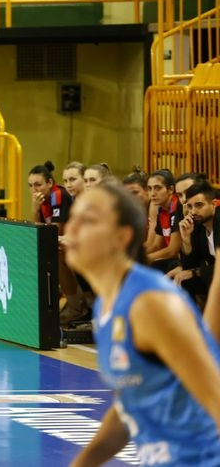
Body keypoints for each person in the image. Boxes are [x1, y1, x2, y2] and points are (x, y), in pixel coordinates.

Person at [64, 183, 220, 467]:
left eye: (87, 220)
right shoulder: (106, 305)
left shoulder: (150, 304)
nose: (71, 229)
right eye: (73, 217)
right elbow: (129, 405)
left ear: (121, 237)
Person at [29, 160, 87, 324]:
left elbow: (54, 232)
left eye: (38, 184)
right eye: (31, 185)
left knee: (56, 253)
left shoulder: (57, 195)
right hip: (70, 242)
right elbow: (39, 233)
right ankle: (74, 303)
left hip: (77, 245)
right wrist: (35, 210)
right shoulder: (42, 202)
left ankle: (78, 305)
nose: (34, 190)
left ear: (50, 183)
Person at [172, 180, 218, 308]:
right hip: (213, 275)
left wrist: (194, 272)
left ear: (213, 204)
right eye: (190, 206)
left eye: (199, 205)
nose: (193, 211)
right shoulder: (198, 226)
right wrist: (186, 239)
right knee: (183, 280)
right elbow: (189, 265)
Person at [146, 168, 183, 272]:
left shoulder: (178, 206)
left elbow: (173, 251)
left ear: (171, 189)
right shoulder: (161, 209)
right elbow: (157, 245)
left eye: (157, 188)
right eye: (149, 188)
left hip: (184, 261)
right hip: (174, 260)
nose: (152, 193)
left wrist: (144, 259)